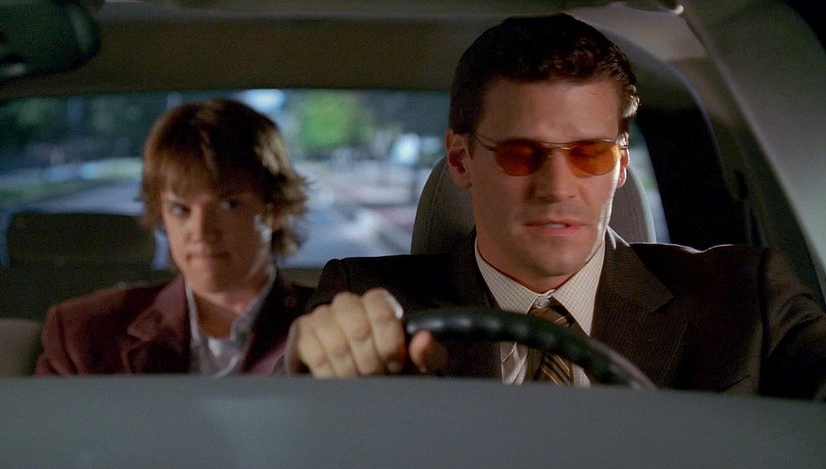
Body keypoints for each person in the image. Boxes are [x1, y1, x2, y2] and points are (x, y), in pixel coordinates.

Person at [284, 14, 826, 399]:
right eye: (522, 154)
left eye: (590, 154)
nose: (557, 187)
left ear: (620, 165)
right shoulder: (366, 297)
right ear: (461, 161)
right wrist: (311, 369)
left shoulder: (747, 297)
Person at [35, 98, 311, 375]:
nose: (201, 231)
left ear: (275, 210)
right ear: (162, 216)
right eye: (180, 209)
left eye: (228, 205)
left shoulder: (323, 327)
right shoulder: (85, 335)